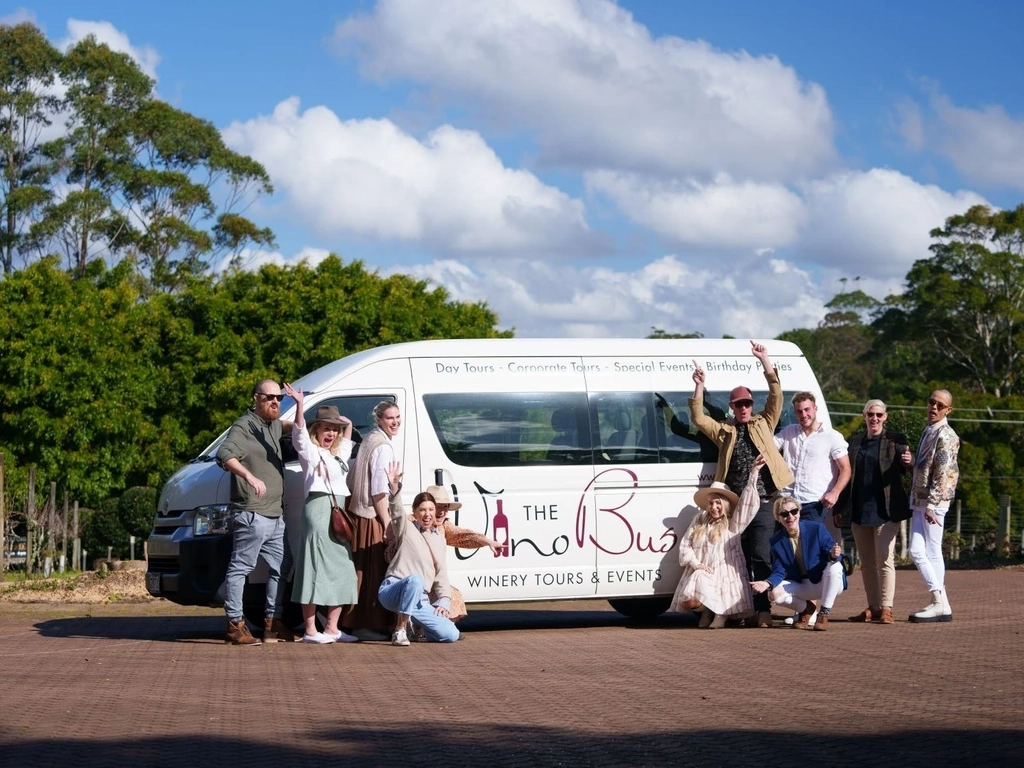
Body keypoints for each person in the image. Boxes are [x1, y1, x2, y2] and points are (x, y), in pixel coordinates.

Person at [689, 341, 794, 628]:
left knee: (760, 556)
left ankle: (762, 610)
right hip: (734, 503)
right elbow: (698, 418)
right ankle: (737, 608)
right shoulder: (725, 430)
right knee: (733, 558)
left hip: (762, 502)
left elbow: (776, 395)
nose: (744, 408)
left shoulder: (764, 422)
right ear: (732, 407)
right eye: (739, 404)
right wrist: (699, 385)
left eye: (748, 403)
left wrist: (765, 360)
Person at [216, 379, 294, 645]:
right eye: (269, 397)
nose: (275, 402)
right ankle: (235, 626)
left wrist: (306, 410)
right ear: (256, 398)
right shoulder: (244, 426)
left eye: (279, 398)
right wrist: (249, 476)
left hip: (274, 515)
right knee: (241, 568)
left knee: (281, 567)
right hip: (252, 513)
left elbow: (295, 428)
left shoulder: (273, 425)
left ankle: (272, 624)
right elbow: (224, 454)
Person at [284, 384, 360, 644]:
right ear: (317, 429)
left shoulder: (338, 453)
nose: (331, 432)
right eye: (326, 427)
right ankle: (310, 631)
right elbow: (299, 432)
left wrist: (343, 422)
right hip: (317, 510)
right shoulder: (310, 451)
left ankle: (332, 628)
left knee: (344, 569)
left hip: (337, 510)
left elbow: (348, 435)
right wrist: (300, 404)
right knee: (313, 568)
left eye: (334, 429)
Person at [670, 455, 767, 628]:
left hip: (724, 575)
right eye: (710, 503)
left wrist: (754, 473)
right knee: (688, 601)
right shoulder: (699, 520)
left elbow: (747, 503)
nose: (714, 507)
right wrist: (696, 564)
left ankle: (720, 613)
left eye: (717, 503)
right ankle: (708, 609)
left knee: (712, 623)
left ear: (725, 503)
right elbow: (685, 544)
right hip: (703, 570)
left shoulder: (734, 523)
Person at [838, 399, 912, 625]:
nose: (874, 419)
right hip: (860, 511)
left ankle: (887, 608)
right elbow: (845, 473)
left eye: (879, 415)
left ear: (885, 417)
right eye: (871, 414)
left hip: (886, 511)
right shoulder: (855, 442)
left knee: (885, 559)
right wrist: (841, 507)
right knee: (867, 563)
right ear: (864, 416)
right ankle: (874, 607)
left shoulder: (894, 440)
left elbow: (906, 461)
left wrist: (908, 460)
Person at [342, 400, 402, 640]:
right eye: (390, 418)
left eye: (398, 417)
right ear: (379, 420)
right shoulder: (383, 446)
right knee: (371, 571)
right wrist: (388, 524)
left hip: (359, 513)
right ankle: (364, 624)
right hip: (371, 516)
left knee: (360, 570)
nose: (395, 422)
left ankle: (354, 622)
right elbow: (379, 492)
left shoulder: (370, 439)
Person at [378, 478, 461, 646]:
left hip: (419, 599)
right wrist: (394, 491)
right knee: (416, 580)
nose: (427, 514)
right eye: (422, 510)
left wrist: (444, 599)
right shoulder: (406, 527)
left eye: (431, 509)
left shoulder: (439, 539)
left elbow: (441, 573)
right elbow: (396, 512)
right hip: (393, 589)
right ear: (415, 512)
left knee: (451, 634)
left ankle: (418, 628)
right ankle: (400, 630)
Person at [752, 498, 845, 631]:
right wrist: (767, 583)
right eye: (784, 514)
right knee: (773, 593)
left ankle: (823, 613)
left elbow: (832, 552)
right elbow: (779, 570)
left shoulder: (816, 528)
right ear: (778, 518)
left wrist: (833, 554)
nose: (790, 516)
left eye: (793, 511)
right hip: (803, 585)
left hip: (825, 582)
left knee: (835, 566)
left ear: (799, 512)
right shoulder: (776, 541)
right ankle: (806, 609)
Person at [908, 390, 961, 623]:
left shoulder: (947, 436)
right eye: (931, 402)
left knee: (928, 551)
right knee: (919, 550)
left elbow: (943, 473)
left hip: (933, 502)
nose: (934, 408)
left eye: (940, 405)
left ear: (948, 410)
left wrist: (931, 505)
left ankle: (938, 600)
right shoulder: (930, 430)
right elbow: (927, 467)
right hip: (921, 499)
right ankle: (942, 603)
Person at [774, 392, 851, 546]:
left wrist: (835, 493)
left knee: (811, 551)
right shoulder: (789, 432)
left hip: (814, 504)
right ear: (795, 413)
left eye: (807, 409)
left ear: (815, 409)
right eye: (799, 411)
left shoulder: (832, 436)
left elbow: (846, 469)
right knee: (785, 551)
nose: (804, 414)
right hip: (787, 503)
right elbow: (768, 448)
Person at [424, 485, 501, 622]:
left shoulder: (443, 527)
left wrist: (488, 541)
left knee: (452, 595)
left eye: (445, 507)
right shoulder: (412, 524)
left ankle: (438, 627)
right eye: (438, 506)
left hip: (434, 582)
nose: (442, 512)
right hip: (412, 582)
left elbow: (463, 535)